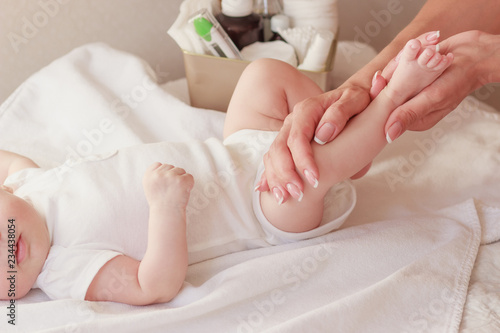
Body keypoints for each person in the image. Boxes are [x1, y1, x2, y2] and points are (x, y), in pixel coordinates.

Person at [0, 37, 452, 305]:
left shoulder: (26, 183)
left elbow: (12, 159)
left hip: (236, 148)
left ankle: (344, 127)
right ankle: (393, 100)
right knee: (310, 170)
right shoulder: (62, 269)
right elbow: (152, 285)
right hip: (260, 204)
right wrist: (165, 208)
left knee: (264, 76)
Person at [258, 0, 500, 203]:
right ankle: (387, 98)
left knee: (263, 74)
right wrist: (362, 84)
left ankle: (390, 98)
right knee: (302, 182)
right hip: (242, 167)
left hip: (251, 183)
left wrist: (486, 58)